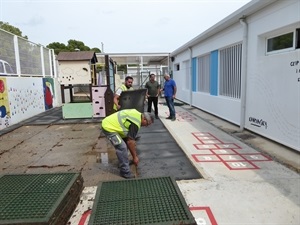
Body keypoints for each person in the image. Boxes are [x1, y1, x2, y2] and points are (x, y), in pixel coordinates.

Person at [101, 109, 154, 179]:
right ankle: (125, 172)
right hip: (108, 127)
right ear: (144, 119)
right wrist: (135, 157)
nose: (146, 126)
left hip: (112, 124)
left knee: (126, 143)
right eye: (147, 124)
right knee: (122, 147)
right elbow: (130, 141)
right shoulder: (136, 122)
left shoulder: (137, 114)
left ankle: (123, 162)